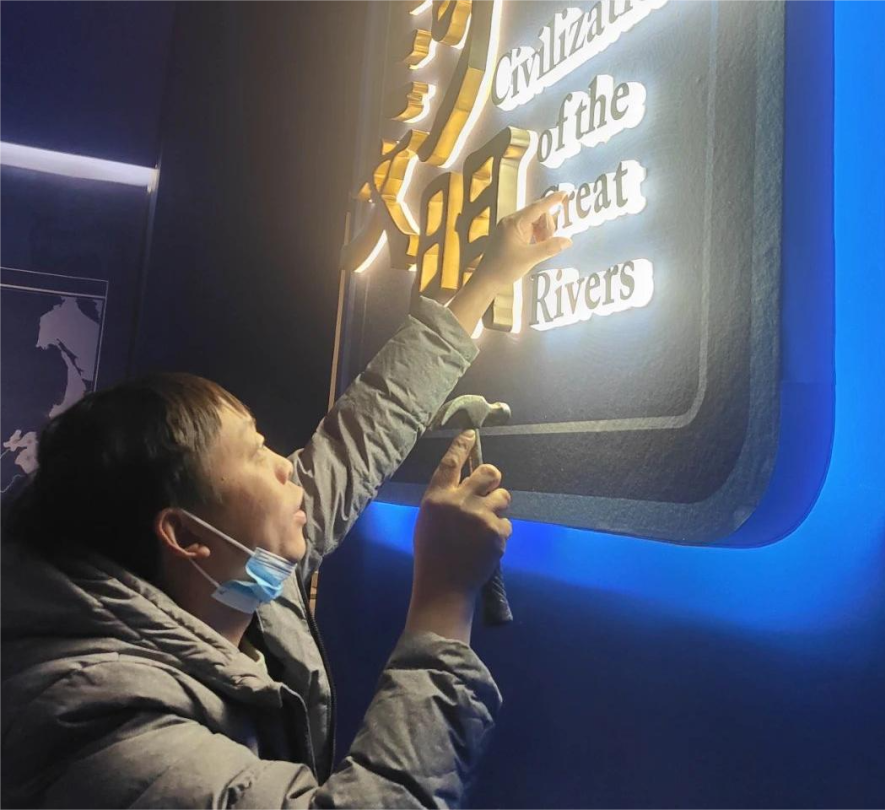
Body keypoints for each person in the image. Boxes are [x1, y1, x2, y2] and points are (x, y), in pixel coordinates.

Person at [0, 192, 571, 809]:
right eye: (255, 454)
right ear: (185, 535)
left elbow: (360, 437)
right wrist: (444, 599)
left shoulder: (236, 576)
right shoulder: (104, 734)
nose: (286, 467)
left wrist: (487, 280)